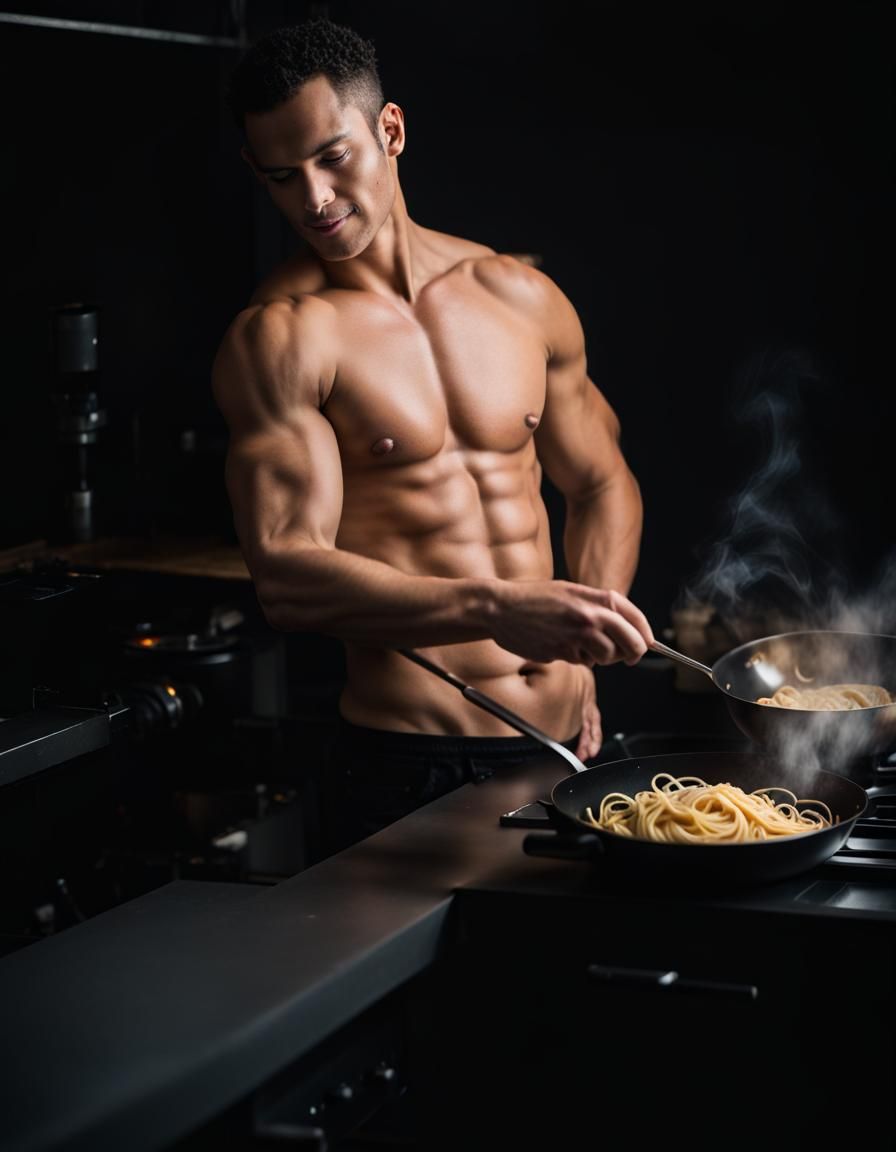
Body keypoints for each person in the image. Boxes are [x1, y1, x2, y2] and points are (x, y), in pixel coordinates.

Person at [213, 16, 655, 857]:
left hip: (569, 749)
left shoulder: (519, 295)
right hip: (408, 760)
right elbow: (287, 579)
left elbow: (601, 480)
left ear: (391, 130)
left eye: (331, 157)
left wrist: (587, 639)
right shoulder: (281, 337)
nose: (312, 198)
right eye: (281, 177)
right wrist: (498, 608)